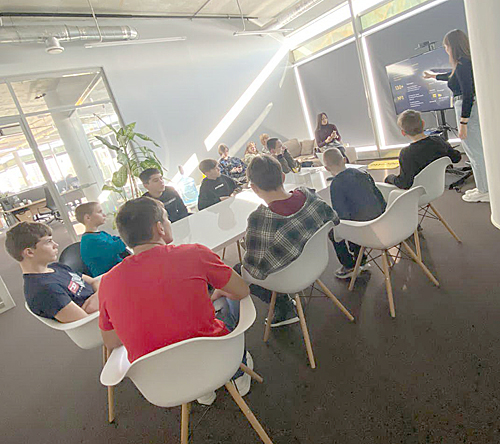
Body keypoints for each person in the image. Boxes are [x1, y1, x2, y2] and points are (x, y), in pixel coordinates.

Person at [98, 196, 252, 403]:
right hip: (218, 361)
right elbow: (242, 290)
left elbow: (111, 341)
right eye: (167, 218)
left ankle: (202, 392)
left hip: (162, 382)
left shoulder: (108, 282)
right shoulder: (194, 253)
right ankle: (238, 374)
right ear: (159, 228)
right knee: (226, 303)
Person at [240, 155, 339, 326]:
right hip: (316, 261)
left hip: (288, 277)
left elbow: (254, 267)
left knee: (238, 270)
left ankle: (283, 305)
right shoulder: (310, 196)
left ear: (254, 188)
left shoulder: (260, 219)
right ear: (283, 177)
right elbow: (333, 218)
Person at [423, 29, 489, 203]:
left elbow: (468, 94)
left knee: (475, 152)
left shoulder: (462, 64)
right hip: (466, 110)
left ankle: (485, 190)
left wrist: (463, 122)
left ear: (453, 46)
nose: (446, 50)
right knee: (476, 151)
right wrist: (434, 76)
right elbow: (453, 77)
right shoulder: (464, 64)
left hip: (466, 111)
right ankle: (484, 187)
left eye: (446, 46)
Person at [5, 221, 100, 322]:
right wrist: (101, 296)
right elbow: (86, 322)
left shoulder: (57, 267)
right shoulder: (44, 290)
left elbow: (94, 281)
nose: (56, 245)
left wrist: (98, 298)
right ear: (29, 252)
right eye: (48, 242)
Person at [323, 148, 386, 279]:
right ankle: (360, 258)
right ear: (344, 159)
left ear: (326, 168)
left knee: (334, 231)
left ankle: (349, 265)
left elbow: (341, 214)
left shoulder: (336, 184)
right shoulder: (362, 173)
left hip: (361, 228)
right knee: (356, 218)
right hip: (381, 220)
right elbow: (379, 196)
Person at [385, 110, 461, 189]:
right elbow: (456, 158)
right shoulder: (439, 141)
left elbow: (405, 183)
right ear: (423, 123)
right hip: (442, 184)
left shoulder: (406, 153)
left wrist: (390, 178)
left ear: (403, 133)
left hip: (421, 189)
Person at [75, 202, 129, 277]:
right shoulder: (90, 241)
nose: (104, 215)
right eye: (99, 212)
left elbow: (116, 239)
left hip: (118, 269)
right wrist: (131, 232)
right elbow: (117, 247)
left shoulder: (100, 234)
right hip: (110, 277)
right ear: (88, 218)